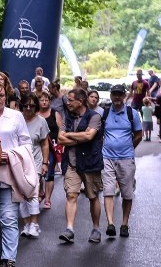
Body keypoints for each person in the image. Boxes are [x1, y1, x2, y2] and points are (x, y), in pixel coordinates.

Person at [0, 82, 32, 267]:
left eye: (2, 95)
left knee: (9, 218)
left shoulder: (16, 116)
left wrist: (11, 154)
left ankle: (9, 260)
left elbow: (26, 143)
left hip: (10, 174)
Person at [57, 87, 104, 244]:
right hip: (71, 163)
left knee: (93, 197)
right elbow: (60, 139)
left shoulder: (95, 116)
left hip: (90, 162)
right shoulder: (68, 117)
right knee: (71, 195)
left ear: (80, 101)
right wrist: (80, 137)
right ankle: (69, 229)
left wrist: (70, 135)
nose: (68, 103)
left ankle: (96, 228)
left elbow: (89, 136)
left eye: (71, 100)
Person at [101, 84, 142, 239]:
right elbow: (100, 134)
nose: (117, 97)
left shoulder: (132, 113)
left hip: (126, 158)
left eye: (120, 94)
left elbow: (139, 133)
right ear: (111, 96)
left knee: (127, 194)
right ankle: (110, 224)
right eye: (114, 94)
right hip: (107, 158)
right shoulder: (105, 113)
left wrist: (130, 147)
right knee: (108, 191)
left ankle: (124, 224)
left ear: (124, 96)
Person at [19, 93, 50, 238]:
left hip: (35, 160)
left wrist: (45, 162)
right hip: (18, 161)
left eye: (32, 105)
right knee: (20, 194)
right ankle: (26, 223)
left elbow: (45, 143)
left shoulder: (41, 121)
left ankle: (34, 224)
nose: (29, 108)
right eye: (26, 105)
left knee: (33, 192)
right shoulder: (17, 119)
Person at [38, 91, 63, 209]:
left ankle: (48, 199)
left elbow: (61, 129)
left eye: (46, 100)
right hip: (37, 148)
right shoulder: (34, 114)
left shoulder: (55, 113)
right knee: (37, 173)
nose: (44, 102)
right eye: (42, 100)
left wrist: (59, 144)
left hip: (52, 147)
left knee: (50, 173)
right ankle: (40, 192)